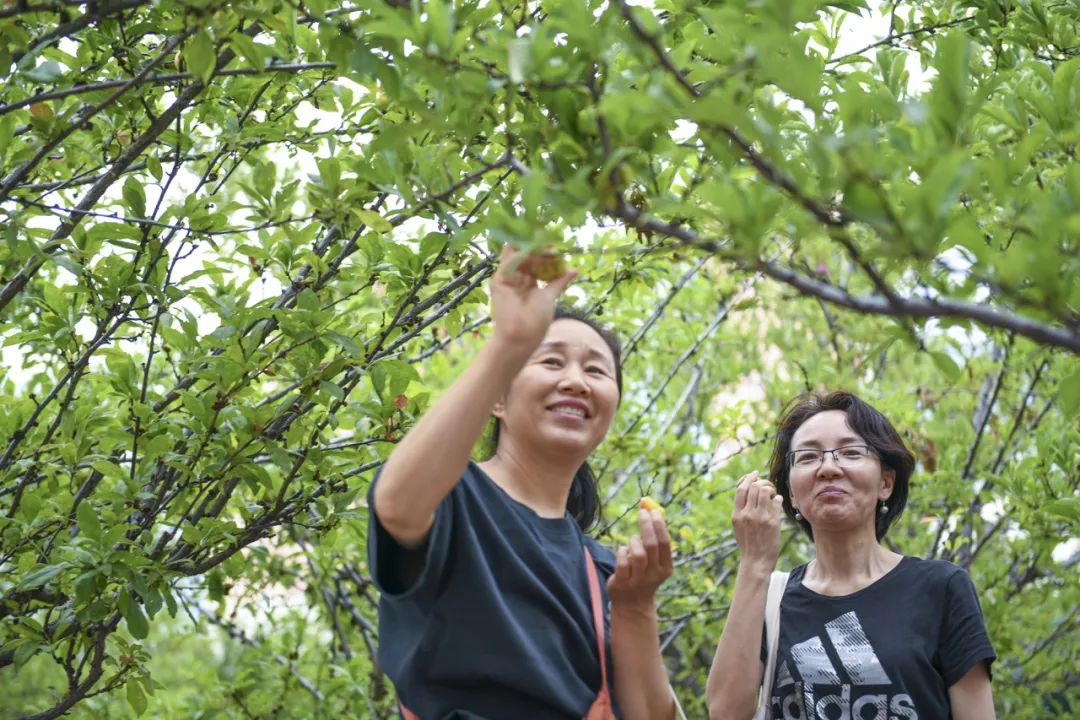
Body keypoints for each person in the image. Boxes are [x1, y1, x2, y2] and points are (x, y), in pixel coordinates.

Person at [367, 246, 677, 719]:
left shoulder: (605, 571)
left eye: (596, 370)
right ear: (497, 399)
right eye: (551, 362)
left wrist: (636, 608)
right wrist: (509, 345)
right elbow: (395, 504)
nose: (576, 381)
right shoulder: (452, 497)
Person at [706, 391, 996, 720]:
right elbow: (725, 714)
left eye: (850, 452)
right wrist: (754, 565)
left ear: (886, 483)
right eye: (808, 457)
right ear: (792, 494)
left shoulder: (942, 588)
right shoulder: (770, 598)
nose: (828, 468)